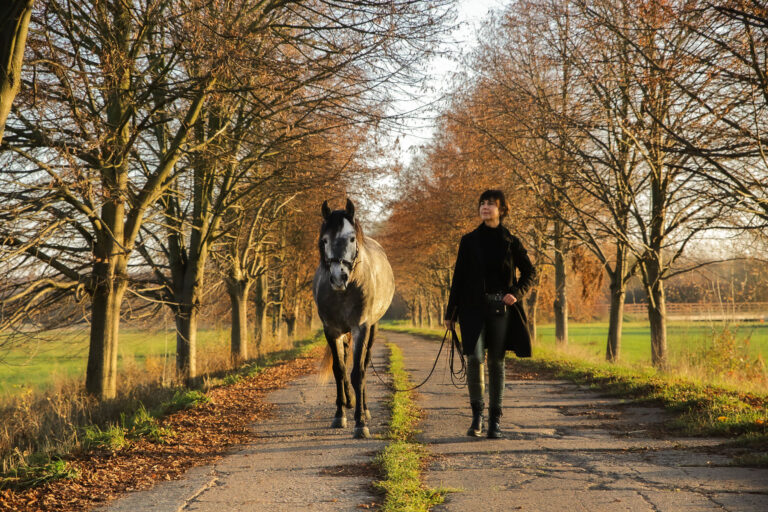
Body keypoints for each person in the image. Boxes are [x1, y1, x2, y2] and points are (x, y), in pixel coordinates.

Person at [444, 189, 536, 439]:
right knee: (475, 358)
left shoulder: (512, 242)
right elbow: (458, 278)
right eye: (482, 203)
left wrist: (516, 292)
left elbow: (530, 272)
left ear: (502, 210)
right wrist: (450, 313)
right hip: (472, 310)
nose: (485, 207)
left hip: (501, 311)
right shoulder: (468, 241)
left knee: (496, 362)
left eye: (491, 204)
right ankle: (477, 417)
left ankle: (495, 420)